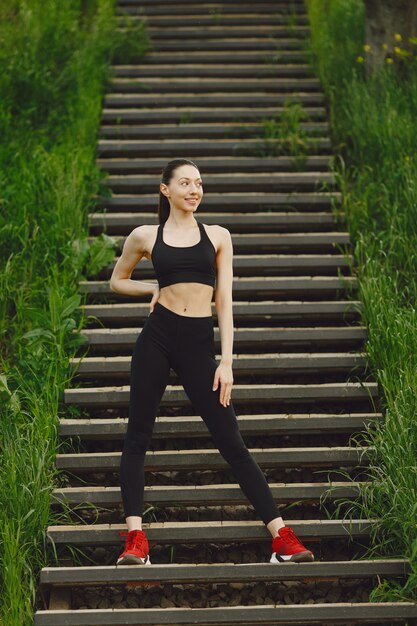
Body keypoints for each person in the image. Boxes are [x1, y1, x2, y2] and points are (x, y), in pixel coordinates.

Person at [109, 158, 314, 566]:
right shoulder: (145, 235)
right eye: (185, 183)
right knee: (137, 438)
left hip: (199, 345)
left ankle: (281, 537)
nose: (194, 190)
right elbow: (117, 279)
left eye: (199, 183)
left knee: (232, 442)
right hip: (158, 338)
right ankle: (135, 539)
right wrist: (153, 284)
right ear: (165, 189)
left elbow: (225, 300)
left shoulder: (218, 235)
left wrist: (226, 361)